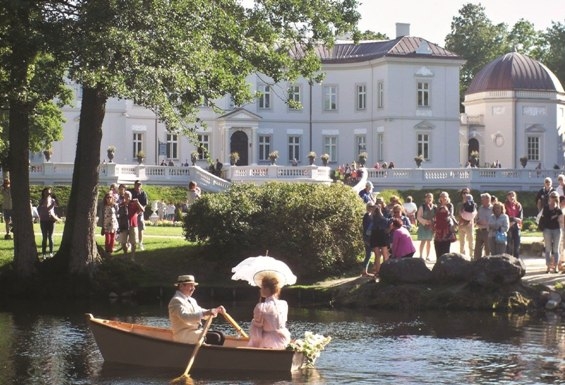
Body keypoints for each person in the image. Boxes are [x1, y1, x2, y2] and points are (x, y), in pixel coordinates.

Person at [168, 274, 226, 345]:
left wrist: (215, 310)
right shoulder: (176, 301)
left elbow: (201, 312)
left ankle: (214, 354)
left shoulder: (192, 300)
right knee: (215, 337)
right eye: (191, 285)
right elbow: (186, 317)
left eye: (194, 286)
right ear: (181, 286)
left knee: (221, 335)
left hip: (195, 332)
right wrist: (207, 313)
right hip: (183, 334)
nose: (194, 288)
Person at [248, 273, 291, 349]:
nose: (260, 290)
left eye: (261, 287)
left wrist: (253, 345)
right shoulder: (284, 304)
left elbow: (256, 333)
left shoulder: (261, 307)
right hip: (283, 339)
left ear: (267, 289)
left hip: (267, 341)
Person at [539, 191, 562, 273]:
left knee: (556, 249)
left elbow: (560, 219)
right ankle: (548, 266)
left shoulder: (559, 209)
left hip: (557, 229)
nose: (553, 198)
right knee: (548, 248)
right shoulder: (546, 207)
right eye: (552, 197)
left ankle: (555, 266)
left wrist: (557, 216)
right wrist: (556, 215)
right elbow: (547, 218)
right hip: (547, 229)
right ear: (549, 198)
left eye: (554, 197)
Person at [118, 191, 144, 259]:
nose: (127, 197)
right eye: (126, 196)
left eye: (128, 196)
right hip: (124, 225)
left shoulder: (134, 204)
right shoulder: (121, 204)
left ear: (131, 196)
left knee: (133, 242)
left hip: (133, 224)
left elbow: (142, 210)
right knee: (123, 243)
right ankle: (125, 254)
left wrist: (138, 203)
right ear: (124, 197)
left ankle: (132, 257)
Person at [37, 187, 60, 260]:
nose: (47, 193)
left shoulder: (53, 200)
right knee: (44, 237)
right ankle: (44, 253)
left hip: (51, 220)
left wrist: (55, 198)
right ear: (43, 193)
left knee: (50, 237)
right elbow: (45, 208)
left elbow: (58, 205)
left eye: (49, 192)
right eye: (46, 192)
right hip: (43, 220)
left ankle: (51, 253)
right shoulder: (41, 200)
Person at [370, 203, 391, 279]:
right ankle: (387, 270)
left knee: (377, 255)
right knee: (385, 254)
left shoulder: (372, 218)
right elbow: (387, 226)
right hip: (382, 234)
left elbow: (371, 221)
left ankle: (378, 272)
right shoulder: (384, 219)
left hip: (374, 234)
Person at [433, 191, 454, 259]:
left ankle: (445, 264)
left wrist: (446, 210)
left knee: (446, 248)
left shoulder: (450, 205)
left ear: (448, 197)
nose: (444, 198)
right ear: (440, 198)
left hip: (446, 229)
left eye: (445, 196)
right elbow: (435, 216)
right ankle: (438, 262)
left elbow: (451, 215)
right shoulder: (437, 206)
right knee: (438, 246)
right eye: (442, 196)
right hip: (438, 229)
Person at [456, 188, 476, 257]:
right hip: (461, 225)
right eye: (464, 193)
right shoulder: (459, 204)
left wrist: (467, 222)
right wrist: (459, 221)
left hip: (469, 225)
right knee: (462, 243)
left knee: (471, 242)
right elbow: (456, 215)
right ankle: (462, 256)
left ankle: (472, 256)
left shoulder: (473, 204)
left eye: (467, 193)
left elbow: (474, 214)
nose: (465, 194)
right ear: (461, 194)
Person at [416, 193, 436, 261]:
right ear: (425, 198)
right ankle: (421, 255)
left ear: (432, 198)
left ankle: (427, 256)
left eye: (431, 197)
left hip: (431, 226)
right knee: (423, 241)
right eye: (428, 197)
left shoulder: (434, 207)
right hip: (423, 226)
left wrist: (433, 221)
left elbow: (436, 216)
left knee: (429, 241)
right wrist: (426, 221)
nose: (429, 198)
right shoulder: (422, 207)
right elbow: (418, 217)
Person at [130, 180, 148, 250]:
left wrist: (139, 211)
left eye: (139, 185)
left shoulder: (143, 193)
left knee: (140, 228)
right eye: (137, 185)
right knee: (130, 228)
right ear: (134, 185)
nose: (138, 186)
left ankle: (140, 243)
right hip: (131, 213)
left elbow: (145, 204)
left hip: (140, 213)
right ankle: (129, 243)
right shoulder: (131, 192)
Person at [474, 193, 493, 260]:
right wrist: (477, 221)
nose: (481, 201)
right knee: (477, 250)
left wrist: (486, 223)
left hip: (488, 231)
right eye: (481, 200)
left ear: (488, 200)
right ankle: (476, 264)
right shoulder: (480, 208)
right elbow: (477, 217)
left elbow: (494, 220)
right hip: (480, 230)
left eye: (483, 200)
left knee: (488, 250)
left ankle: (487, 264)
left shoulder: (493, 209)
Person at [504, 191, 523, 258]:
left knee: (517, 244)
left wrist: (514, 221)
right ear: (507, 197)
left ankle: (516, 259)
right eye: (510, 196)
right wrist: (513, 219)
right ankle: (508, 259)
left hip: (516, 226)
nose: (512, 197)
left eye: (513, 196)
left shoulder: (518, 205)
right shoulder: (505, 205)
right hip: (508, 226)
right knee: (508, 245)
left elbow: (520, 217)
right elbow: (505, 216)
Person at [361, 202, 375, 276]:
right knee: (369, 254)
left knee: (369, 254)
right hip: (367, 238)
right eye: (370, 206)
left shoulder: (370, 215)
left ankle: (365, 270)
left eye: (372, 206)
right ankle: (365, 271)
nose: (372, 207)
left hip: (369, 237)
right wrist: (366, 239)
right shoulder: (367, 216)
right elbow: (366, 229)